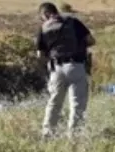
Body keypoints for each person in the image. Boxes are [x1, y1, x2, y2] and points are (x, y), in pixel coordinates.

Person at [36, 2, 94, 139]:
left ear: (45, 14)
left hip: (55, 69)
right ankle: (74, 135)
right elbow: (91, 40)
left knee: (54, 103)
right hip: (75, 66)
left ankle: (47, 134)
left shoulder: (43, 28)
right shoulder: (73, 22)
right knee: (77, 103)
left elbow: (39, 55)